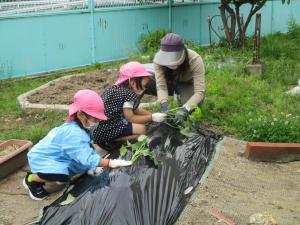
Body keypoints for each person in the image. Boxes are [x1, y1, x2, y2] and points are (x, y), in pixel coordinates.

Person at [23, 89, 133, 201]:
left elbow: (86, 149)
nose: (97, 122)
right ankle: (32, 179)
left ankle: (44, 174)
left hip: (58, 156)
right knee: (61, 176)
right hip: (42, 158)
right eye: (95, 119)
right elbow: (87, 157)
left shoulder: (82, 126)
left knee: (78, 165)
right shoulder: (74, 134)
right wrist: (111, 162)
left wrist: (92, 166)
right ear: (80, 115)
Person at [93, 61, 166, 149]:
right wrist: (152, 117)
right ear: (133, 83)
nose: (144, 88)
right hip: (107, 131)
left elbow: (135, 109)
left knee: (140, 124)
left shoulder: (118, 89)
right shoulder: (128, 94)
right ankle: (112, 142)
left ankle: (112, 139)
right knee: (142, 129)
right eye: (143, 85)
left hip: (100, 129)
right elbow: (130, 117)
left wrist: (150, 115)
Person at [145, 33, 205, 121]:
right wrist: (164, 105)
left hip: (187, 84)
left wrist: (185, 109)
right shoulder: (158, 60)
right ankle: (169, 97)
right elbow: (161, 85)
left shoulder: (195, 60)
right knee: (144, 82)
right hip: (170, 82)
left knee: (193, 109)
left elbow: (199, 92)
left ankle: (180, 97)